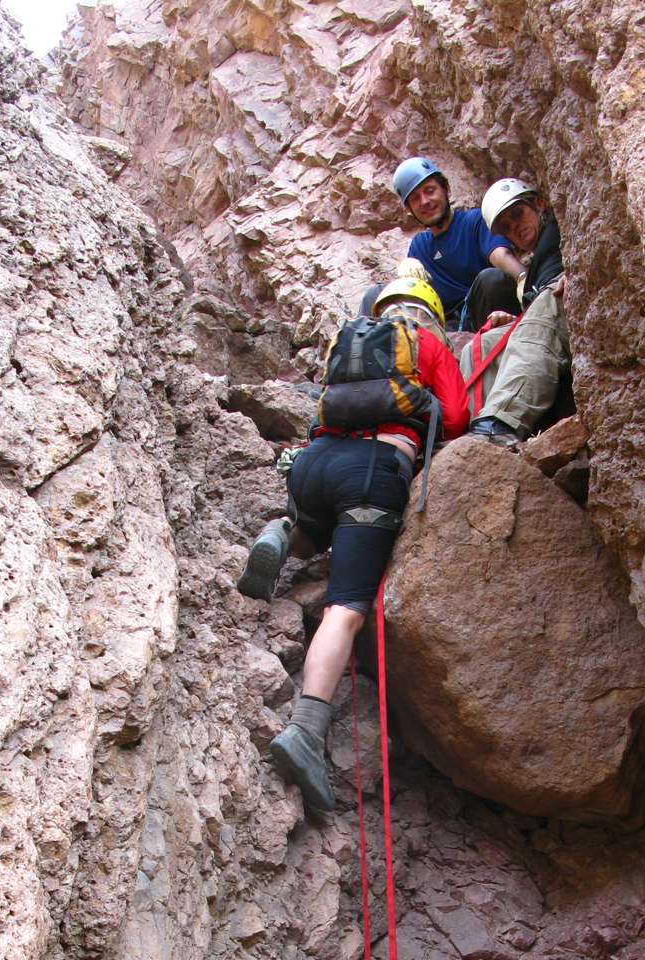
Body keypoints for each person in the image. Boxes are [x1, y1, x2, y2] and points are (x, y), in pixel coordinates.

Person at [239, 277, 470, 816]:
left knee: (322, 529)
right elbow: (457, 419)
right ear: (431, 313)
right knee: (345, 608)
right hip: (372, 469)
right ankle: (305, 729)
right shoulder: (426, 344)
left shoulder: (353, 340)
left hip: (313, 465)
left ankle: (282, 533)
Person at [463, 178, 570, 447]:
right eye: (506, 227)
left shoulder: (562, 229)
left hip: (559, 301)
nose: (515, 227)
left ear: (539, 204)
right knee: (480, 345)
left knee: (544, 304)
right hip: (545, 311)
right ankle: (477, 427)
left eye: (517, 214)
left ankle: (500, 423)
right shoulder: (535, 267)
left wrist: (576, 271)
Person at [393, 155, 523, 330]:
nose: (425, 201)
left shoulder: (474, 221)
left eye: (430, 191)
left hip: (485, 313)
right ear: (409, 209)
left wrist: (524, 278)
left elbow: (500, 255)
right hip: (445, 330)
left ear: (446, 189)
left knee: (491, 278)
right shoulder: (419, 247)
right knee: (376, 296)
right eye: (415, 198)